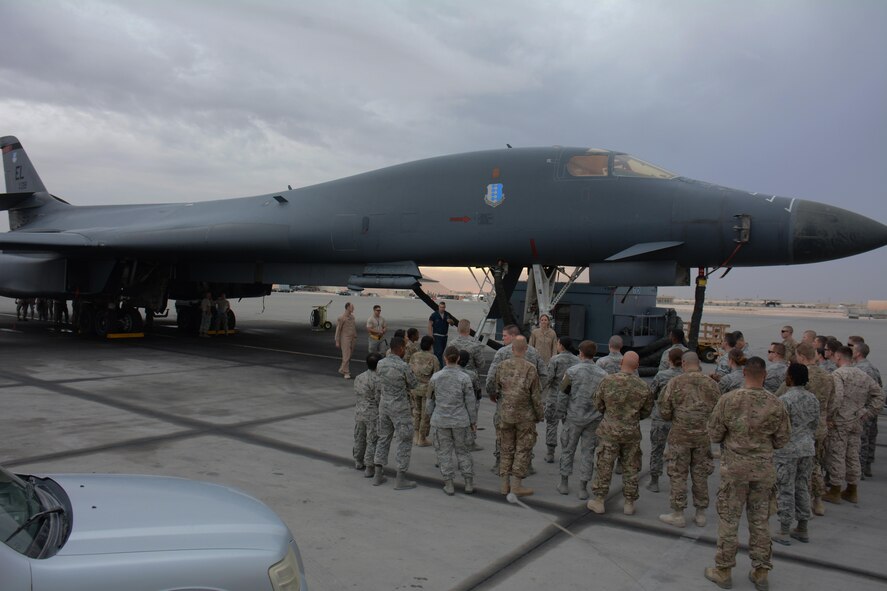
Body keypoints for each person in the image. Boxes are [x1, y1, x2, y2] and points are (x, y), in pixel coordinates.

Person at [704, 357, 791, 591]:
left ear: (744, 374)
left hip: (735, 469)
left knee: (729, 519)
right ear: (764, 375)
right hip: (763, 470)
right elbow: (782, 439)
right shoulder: (776, 403)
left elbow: (714, 434)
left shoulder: (728, 400)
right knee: (760, 520)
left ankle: (723, 570)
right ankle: (761, 571)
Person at [658, 351, 721, 528]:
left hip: (680, 436)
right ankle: (700, 513)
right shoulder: (711, 384)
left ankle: (678, 513)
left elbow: (664, 412)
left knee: (678, 473)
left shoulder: (675, 382)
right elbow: (718, 412)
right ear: (698, 363)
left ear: (684, 363)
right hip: (702, 436)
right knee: (700, 474)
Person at [586, 352, 653, 516]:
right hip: (631, 433)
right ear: (637, 366)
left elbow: (598, 403)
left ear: (621, 362)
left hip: (609, 431)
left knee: (604, 465)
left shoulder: (608, 381)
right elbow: (646, 411)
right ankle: (629, 503)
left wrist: (610, 415)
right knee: (631, 467)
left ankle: (599, 500)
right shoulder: (643, 386)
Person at [776, 343, 834, 516]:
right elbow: (833, 401)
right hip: (819, 425)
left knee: (795, 470)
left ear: (801, 356)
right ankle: (817, 500)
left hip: (797, 428)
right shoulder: (828, 376)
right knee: (815, 464)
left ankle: (799, 504)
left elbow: (779, 397)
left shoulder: (799, 375)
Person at [822, 346, 884, 504]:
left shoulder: (838, 374)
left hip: (840, 421)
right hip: (856, 420)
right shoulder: (862, 374)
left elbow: (837, 397)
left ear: (838, 357)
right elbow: (879, 395)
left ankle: (835, 489)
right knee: (852, 455)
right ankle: (852, 488)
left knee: (836, 454)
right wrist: (867, 413)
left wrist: (829, 416)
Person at [485, 325, 547, 475]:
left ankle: (500, 464)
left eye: (505, 336)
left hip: (505, 403)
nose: (503, 338)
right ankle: (526, 465)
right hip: (526, 405)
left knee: (503, 434)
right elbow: (544, 375)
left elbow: (491, 377)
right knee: (526, 436)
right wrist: (535, 391)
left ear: (514, 336)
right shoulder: (534, 352)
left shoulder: (502, 353)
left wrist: (493, 393)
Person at [772, 363, 820, 546]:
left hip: (788, 450)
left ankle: (784, 529)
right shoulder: (813, 399)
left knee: (785, 487)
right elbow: (815, 424)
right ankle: (802, 527)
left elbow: (777, 426)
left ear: (791, 378)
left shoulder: (785, 400)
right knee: (802, 486)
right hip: (807, 448)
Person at [489, 336, 542, 497]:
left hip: (505, 414)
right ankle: (516, 486)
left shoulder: (502, 365)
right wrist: (539, 415)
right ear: (526, 349)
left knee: (505, 448)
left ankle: (504, 484)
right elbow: (536, 396)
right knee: (522, 449)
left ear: (512, 349)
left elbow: (495, 386)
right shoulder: (531, 368)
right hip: (524, 416)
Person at [555, 340, 607, 500]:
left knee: (567, 450)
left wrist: (561, 413)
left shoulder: (572, 372)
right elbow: (605, 400)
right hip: (593, 419)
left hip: (573, 417)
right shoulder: (604, 375)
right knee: (588, 453)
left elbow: (563, 395)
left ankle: (564, 483)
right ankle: (583, 488)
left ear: (581, 353)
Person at [427, 346, 478, 495]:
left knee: (444, 453)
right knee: (463, 451)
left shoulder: (435, 377)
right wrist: (473, 422)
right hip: (460, 420)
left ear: (444, 358)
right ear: (458, 359)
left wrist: (430, 416)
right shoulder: (464, 378)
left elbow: (429, 400)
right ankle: (468, 483)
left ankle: (449, 484)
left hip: (441, 420)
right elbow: (470, 402)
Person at [372, 337, 419, 490]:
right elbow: (414, 384)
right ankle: (400, 479)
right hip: (400, 408)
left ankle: (377, 475)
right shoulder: (403, 366)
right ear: (401, 349)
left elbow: (378, 383)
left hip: (384, 406)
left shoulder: (381, 363)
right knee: (404, 440)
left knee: (383, 438)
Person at [647, 348, 684, 494]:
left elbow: (651, 394)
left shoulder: (661, 375)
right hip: (680, 420)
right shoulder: (686, 377)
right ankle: (677, 482)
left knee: (657, 449)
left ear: (669, 360)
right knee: (679, 453)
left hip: (661, 418)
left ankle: (654, 481)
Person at [543, 336, 579, 463]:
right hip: (570, 398)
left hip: (554, 397)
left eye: (558, 343)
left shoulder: (555, 359)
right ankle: (567, 453)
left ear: (561, 345)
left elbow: (548, 378)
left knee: (551, 424)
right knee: (568, 427)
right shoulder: (577, 360)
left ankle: (550, 453)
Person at [853, 342, 882, 478]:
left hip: (862, 409)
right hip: (869, 408)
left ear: (858, 353)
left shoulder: (860, 369)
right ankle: (866, 466)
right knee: (868, 438)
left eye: (853, 349)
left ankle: (860, 470)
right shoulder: (873, 368)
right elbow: (879, 388)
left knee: (861, 440)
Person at [353, 353, 382, 476]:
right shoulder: (378, 380)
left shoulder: (359, 377)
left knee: (359, 437)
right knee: (372, 440)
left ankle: (358, 460)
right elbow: (378, 398)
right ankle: (369, 466)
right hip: (372, 413)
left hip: (359, 411)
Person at [408, 336, 440, 447]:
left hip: (414, 388)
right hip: (427, 391)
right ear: (431, 345)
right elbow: (436, 376)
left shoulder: (414, 356)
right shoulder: (433, 358)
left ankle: (416, 436)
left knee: (416, 412)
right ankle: (422, 438)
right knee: (425, 414)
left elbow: (409, 372)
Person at [457, 349, 484, 451]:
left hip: (455, 403)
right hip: (469, 402)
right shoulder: (472, 374)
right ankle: (471, 441)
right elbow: (478, 390)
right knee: (472, 420)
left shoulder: (448, 372)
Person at [428, 301, 456, 366]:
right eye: (441, 307)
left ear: (445, 307)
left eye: (443, 307)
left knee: (442, 352)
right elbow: (430, 325)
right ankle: (440, 366)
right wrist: (431, 336)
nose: (442, 309)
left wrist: (450, 321)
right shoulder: (434, 315)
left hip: (444, 336)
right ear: (438, 307)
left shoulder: (447, 314)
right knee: (438, 352)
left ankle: (435, 365)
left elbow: (452, 324)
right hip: (437, 336)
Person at [334, 302, 358, 379]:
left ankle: (342, 369)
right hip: (345, 338)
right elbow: (338, 330)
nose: (353, 308)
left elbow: (353, 327)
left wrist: (355, 336)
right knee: (346, 355)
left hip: (353, 338)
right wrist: (337, 340)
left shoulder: (352, 317)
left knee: (349, 356)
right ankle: (346, 372)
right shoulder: (341, 318)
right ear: (347, 308)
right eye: (352, 307)